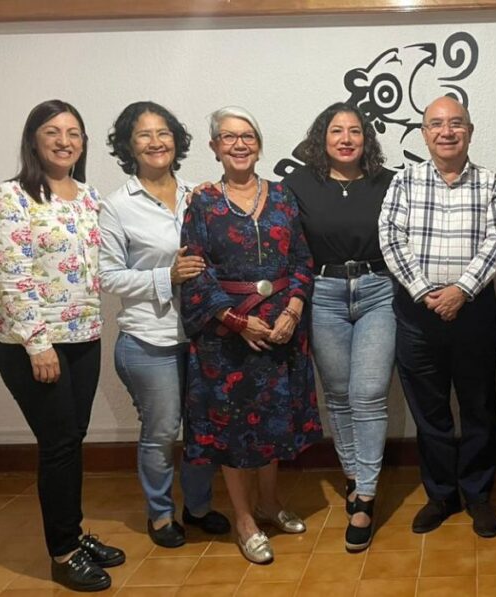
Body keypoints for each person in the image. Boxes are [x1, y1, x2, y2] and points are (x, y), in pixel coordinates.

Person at [0, 99, 124, 592]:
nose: (65, 140)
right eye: (53, 131)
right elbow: (13, 276)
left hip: (84, 336)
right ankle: (63, 552)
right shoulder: (13, 197)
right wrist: (37, 344)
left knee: (71, 439)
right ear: (34, 139)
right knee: (60, 444)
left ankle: (74, 530)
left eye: (74, 132)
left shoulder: (88, 196)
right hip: (33, 344)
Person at [180, 106, 322, 564]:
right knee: (233, 430)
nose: (239, 144)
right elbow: (195, 273)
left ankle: (269, 502)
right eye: (228, 137)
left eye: (248, 137)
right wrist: (237, 322)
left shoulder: (283, 196)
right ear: (214, 147)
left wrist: (294, 310)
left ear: (259, 144)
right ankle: (243, 519)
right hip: (226, 339)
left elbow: (303, 259)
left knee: (274, 423)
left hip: (282, 329)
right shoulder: (201, 203)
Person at [379, 96, 496, 538]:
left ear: (470, 131)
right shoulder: (404, 182)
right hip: (418, 314)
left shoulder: (492, 183)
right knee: (430, 411)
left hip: (473, 311)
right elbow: (390, 238)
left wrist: (461, 290)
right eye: (436, 124)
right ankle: (440, 494)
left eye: (456, 123)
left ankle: (477, 493)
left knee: (477, 406)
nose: (447, 131)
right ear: (424, 133)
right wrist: (424, 291)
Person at [100, 101, 231, 548]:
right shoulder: (118, 206)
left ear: (176, 140)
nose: (156, 142)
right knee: (160, 432)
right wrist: (165, 276)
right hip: (149, 340)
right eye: (143, 135)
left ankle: (198, 507)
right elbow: (107, 276)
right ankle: (160, 515)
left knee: (202, 428)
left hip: (201, 336)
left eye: (163, 133)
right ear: (128, 146)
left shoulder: (201, 194)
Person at [286, 102, 397, 552]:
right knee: (338, 394)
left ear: (366, 139)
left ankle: (365, 494)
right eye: (337, 131)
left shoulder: (389, 182)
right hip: (324, 294)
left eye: (355, 131)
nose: (347, 139)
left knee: (367, 392)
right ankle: (352, 475)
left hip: (379, 290)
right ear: (322, 138)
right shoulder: (297, 185)